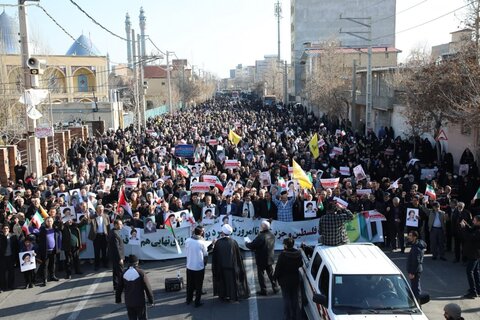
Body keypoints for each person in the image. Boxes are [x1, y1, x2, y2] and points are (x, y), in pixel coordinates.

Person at [212, 224, 249, 301]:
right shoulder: (233, 242)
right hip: (232, 267)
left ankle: (223, 295)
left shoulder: (218, 243)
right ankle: (232, 296)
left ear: (223, 232)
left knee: (223, 282)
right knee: (232, 283)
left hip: (221, 267)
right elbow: (238, 256)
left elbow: (215, 256)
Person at [115, 255, 154, 320]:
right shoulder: (141, 273)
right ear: (137, 262)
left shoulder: (124, 273)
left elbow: (119, 288)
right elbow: (147, 288)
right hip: (140, 302)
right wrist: (151, 300)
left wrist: (118, 299)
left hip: (129, 302)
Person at [245, 220, 278, 295]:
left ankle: (264, 290)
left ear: (263, 227)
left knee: (261, 275)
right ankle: (276, 287)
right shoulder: (272, 235)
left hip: (261, 259)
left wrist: (247, 243)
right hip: (269, 258)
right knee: (271, 274)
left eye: (261, 226)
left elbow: (252, 245)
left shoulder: (261, 237)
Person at [274, 237, 303, 320]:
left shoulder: (283, 255)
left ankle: (288, 317)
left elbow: (278, 268)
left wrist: (275, 278)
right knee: (295, 298)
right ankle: (295, 316)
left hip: (285, 281)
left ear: (286, 245)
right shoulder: (298, 254)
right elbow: (300, 264)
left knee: (287, 299)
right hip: (295, 279)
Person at [185, 226, 208, 307]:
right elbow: (205, 254)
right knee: (198, 286)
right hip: (199, 268)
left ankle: (188, 299)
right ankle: (197, 302)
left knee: (189, 285)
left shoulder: (187, 240)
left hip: (189, 266)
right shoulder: (202, 242)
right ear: (201, 233)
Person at [460, 214, 480, 299]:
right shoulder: (476, 228)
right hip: (474, 253)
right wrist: (466, 225)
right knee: (475, 271)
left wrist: (464, 228)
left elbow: (469, 237)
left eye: (474, 220)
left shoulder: (479, 231)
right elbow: (471, 230)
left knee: (470, 271)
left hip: (474, 254)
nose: (473, 221)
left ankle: (473, 291)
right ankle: (478, 289)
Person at [88, 205, 110, 270]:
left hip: (104, 235)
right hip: (96, 236)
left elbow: (108, 226)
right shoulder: (93, 216)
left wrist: (108, 235)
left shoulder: (106, 216)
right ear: (97, 210)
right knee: (96, 251)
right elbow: (88, 222)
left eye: (102, 209)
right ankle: (97, 265)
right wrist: (88, 216)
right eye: (100, 209)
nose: (101, 211)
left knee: (104, 251)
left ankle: (105, 264)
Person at [406, 230, 426, 298]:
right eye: (409, 235)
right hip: (416, 270)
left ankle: (418, 302)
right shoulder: (415, 245)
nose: (409, 237)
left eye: (410, 236)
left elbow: (416, 261)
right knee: (415, 287)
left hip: (415, 271)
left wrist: (412, 273)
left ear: (415, 237)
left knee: (415, 289)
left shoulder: (416, 248)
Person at [0, 224, 19, 292]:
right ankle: (3, 287)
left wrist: (16, 259)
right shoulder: (1, 237)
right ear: (2, 230)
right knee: (2, 273)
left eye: (7, 228)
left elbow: (16, 248)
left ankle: (11, 285)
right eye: (4, 228)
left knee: (11, 272)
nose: (5, 230)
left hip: (11, 257)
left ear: (9, 229)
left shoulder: (13, 236)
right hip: (2, 258)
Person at [108, 219, 125, 291]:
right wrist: (120, 258)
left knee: (115, 272)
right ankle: (121, 287)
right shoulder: (115, 233)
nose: (121, 226)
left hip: (114, 256)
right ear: (115, 225)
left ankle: (116, 286)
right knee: (120, 272)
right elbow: (116, 247)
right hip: (117, 257)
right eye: (120, 224)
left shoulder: (113, 231)